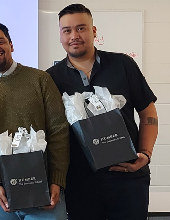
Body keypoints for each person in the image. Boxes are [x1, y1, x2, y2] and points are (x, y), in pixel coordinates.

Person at [46, 4, 158, 220]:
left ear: (94, 31)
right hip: (80, 182)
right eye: (67, 30)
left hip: (129, 176)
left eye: (81, 28)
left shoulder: (123, 64)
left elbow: (148, 112)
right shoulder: (50, 78)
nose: (74, 36)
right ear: (60, 35)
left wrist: (145, 154)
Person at [0, 21, 69, 220]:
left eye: (0, 41)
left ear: (11, 45)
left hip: (45, 194)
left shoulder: (41, 80)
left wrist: (57, 179)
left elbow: (59, 132)